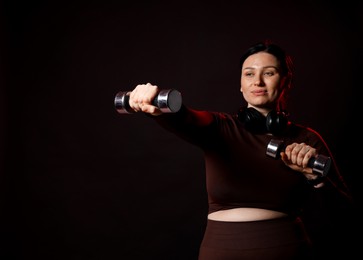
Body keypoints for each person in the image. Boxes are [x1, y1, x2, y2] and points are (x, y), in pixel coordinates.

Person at [124, 41, 356, 259]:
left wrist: (317, 179)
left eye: (269, 73)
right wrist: (155, 107)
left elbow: (345, 214)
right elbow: (186, 119)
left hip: (288, 250)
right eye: (249, 74)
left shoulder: (307, 141)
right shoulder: (219, 128)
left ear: (286, 80)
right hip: (221, 251)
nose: (258, 81)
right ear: (241, 84)